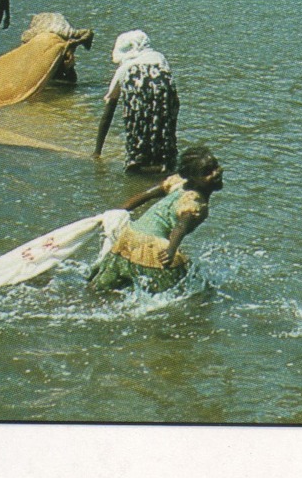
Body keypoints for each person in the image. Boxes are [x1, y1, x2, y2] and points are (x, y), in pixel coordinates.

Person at [88, 145, 224, 294]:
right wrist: (171, 251)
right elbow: (180, 228)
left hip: (128, 236)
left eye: (216, 166)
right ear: (193, 178)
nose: (216, 172)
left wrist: (117, 212)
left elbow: (146, 195)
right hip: (152, 245)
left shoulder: (177, 183)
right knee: (190, 291)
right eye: (207, 172)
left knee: (101, 288)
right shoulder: (195, 204)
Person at [93, 30, 180, 174]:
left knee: (137, 129)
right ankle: (165, 163)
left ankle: (136, 164)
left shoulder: (125, 69)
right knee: (164, 127)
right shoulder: (159, 58)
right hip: (165, 94)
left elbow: (108, 112)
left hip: (137, 96)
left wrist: (97, 152)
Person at [21, 13, 93, 83]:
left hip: (62, 52)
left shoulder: (66, 33)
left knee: (69, 77)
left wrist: (75, 43)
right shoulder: (35, 36)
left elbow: (88, 33)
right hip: (47, 52)